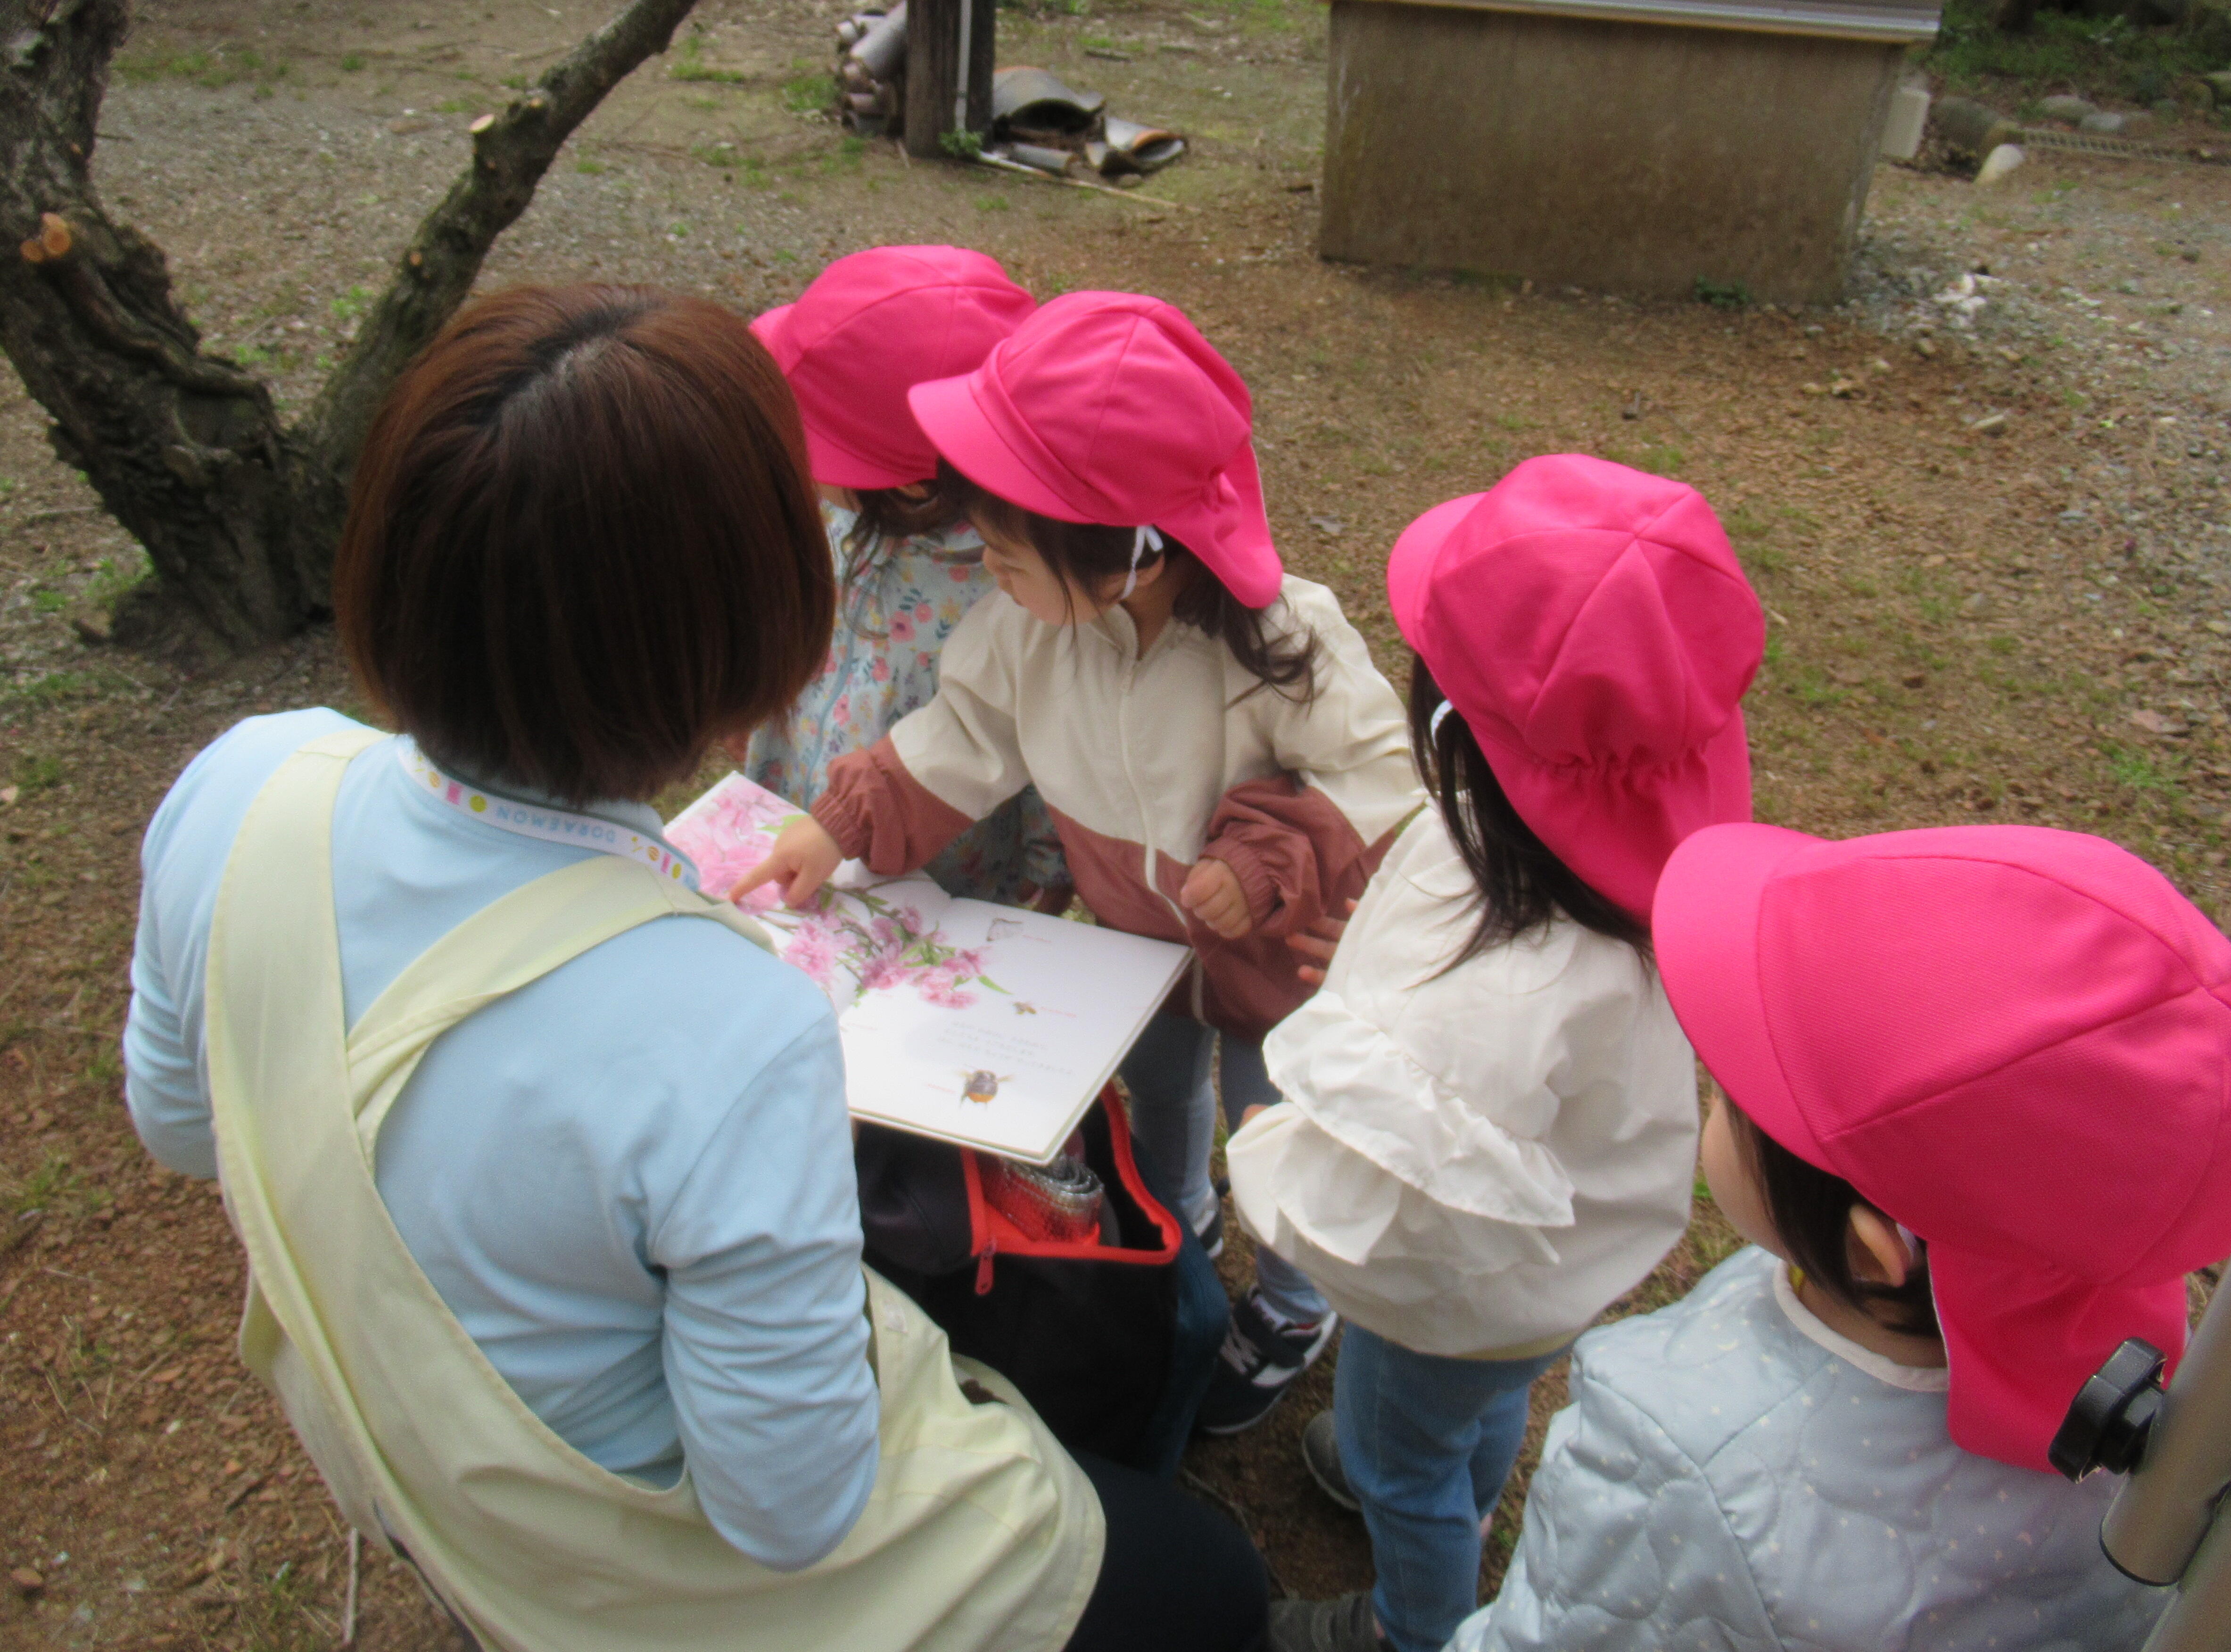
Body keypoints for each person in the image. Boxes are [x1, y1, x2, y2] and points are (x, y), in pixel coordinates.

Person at [120, 285, 1267, 1652]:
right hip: (625, 1569)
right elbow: (792, 1512)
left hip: (398, 1447)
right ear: (747, 638)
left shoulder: (241, 780)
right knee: (1214, 1585)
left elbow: (182, 1126)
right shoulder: (731, 1025)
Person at [732, 291, 1426, 1435]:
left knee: (1282, 1124)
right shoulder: (1027, 635)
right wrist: (843, 821)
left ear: (1129, 553)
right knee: (1158, 1094)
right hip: (1138, 946)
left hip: (1275, 959)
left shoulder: (1281, 639)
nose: (985, 570)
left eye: (1005, 551)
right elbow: (962, 740)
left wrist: (1264, 860)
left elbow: (1374, 769)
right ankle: (1183, 1223)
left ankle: (1297, 1305)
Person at [1450, 821, 2231, 1652]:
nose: (1710, 1094)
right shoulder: (2179, 1386)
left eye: (1733, 1093)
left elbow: (1562, 1628)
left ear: (1871, 1251)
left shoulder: (1676, 1458)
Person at [1235, 456, 1763, 1652]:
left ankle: (1412, 1615)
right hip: (1551, 1271)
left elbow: (1379, 1206)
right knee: (1478, 1406)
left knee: (1396, 1455)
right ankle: (1461, 1475)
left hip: (1450, 1294)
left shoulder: (1507, 985)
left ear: (1451, 728)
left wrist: (1301, 1126)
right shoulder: (1608, 862)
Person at [744, 246, 1068, 908]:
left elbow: (1045, 728)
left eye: (812, 436)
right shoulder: (837, 522)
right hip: (794, 818)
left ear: (907, 481)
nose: (795, 450)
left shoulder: (1016, 587)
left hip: (932, 884)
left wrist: (1047, 867)